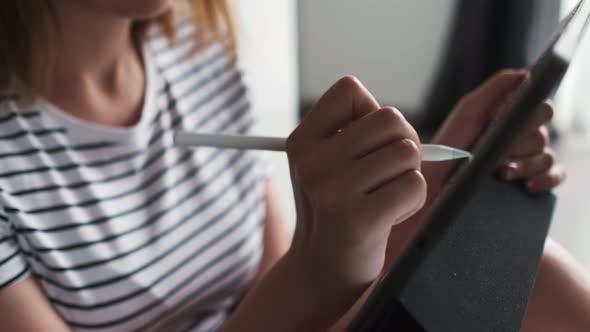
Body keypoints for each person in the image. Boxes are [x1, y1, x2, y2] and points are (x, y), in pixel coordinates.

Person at [0, 1, 588, 331]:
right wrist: (320, 264)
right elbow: (302, 284)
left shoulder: (201, 54)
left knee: (530, 275)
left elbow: (276, 295)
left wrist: (433, 191)